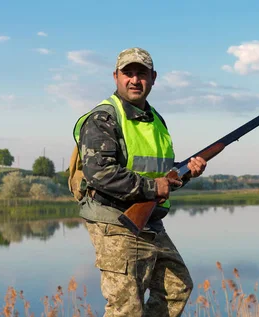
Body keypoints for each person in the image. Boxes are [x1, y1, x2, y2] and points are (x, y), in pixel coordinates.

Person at [72, 47, 207, 317]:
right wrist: (152, 187)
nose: (135, 80)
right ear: (116, 77)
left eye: (141, 74)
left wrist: (187, 172)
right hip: (115, 220)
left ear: (154, 78)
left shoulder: (155, 119)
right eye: (128, 73)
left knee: (177, 287)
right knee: (126, 308)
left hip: (149, 219)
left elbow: (161, 173)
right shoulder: (103, 118)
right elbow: (101, 173)